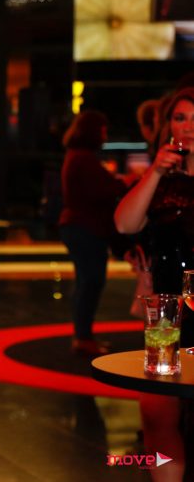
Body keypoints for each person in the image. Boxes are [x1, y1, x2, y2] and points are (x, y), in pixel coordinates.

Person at [115, 88, 194, 482]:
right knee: (156, 413)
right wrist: (156, 172)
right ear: (169, 126)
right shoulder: (161, 180)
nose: (189, 126)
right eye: (181, 118)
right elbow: (124, 224)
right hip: (166, 312)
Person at [58, 110, 127, 356]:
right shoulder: (84, 159)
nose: (105, 136)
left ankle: (82, 336)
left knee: (85, 283)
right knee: (91, 282)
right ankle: (83, 337)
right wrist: (124, 182)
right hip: (86, 227)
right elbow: (102, 191)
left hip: (77, 226)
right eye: (103, 131)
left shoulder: (75, 156)